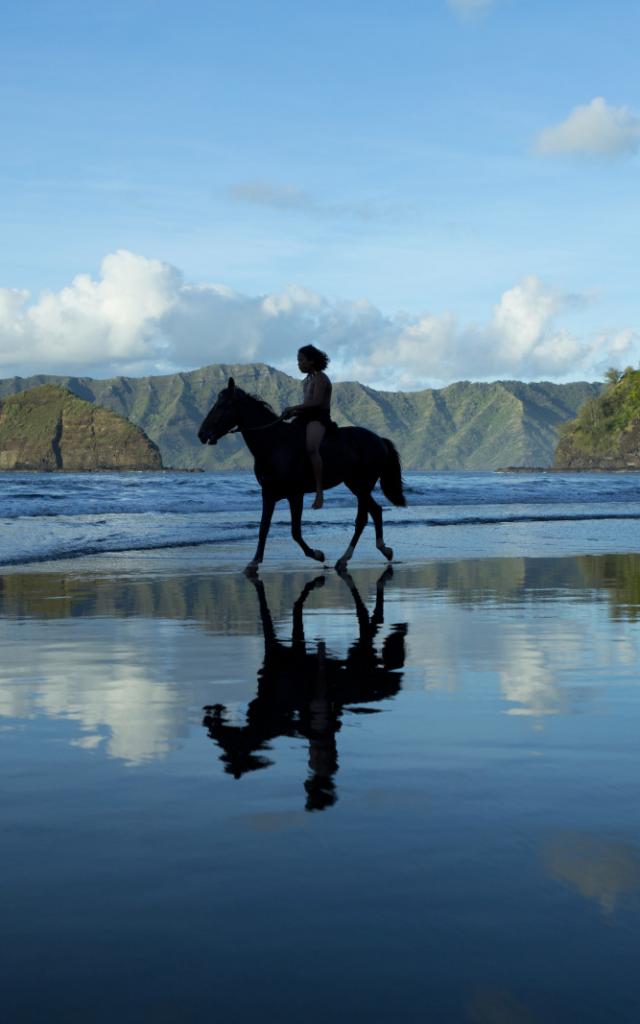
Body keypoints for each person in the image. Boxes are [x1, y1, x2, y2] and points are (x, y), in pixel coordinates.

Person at [282, 344, 335, 509]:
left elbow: (317, 402)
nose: (298, 364)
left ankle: (319, 491)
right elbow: (307, 405)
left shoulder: (320, 378)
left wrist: (293, 408)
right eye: (298, 360)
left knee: (312, 448)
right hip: (305, 418)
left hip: (318, 419)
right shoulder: (308, 380)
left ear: (311, 361)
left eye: (301, 360)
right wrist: (293, 414)